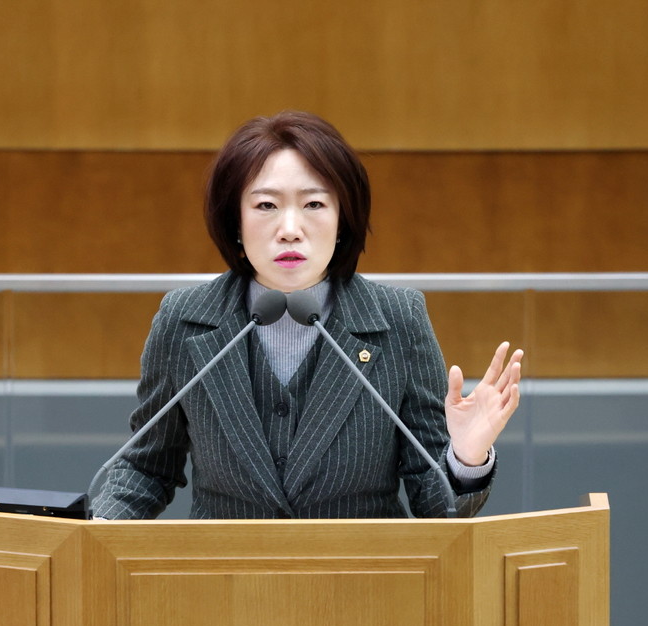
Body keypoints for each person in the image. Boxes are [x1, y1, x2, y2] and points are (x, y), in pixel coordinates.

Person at [92, 111, 521, 520]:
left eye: (314, 204)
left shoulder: (398, 320)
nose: (290, 230)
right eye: (266, 206)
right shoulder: (184, 319)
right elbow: (147, 468)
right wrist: (101, 527)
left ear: (343, 220)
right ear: (235, 220)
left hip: (359, 569)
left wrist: (466, 457)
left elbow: (437, 507)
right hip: (225, 570)